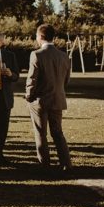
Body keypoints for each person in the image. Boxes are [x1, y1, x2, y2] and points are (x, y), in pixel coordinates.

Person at [25, 24, 72, 173]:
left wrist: (28, 96)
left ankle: (45, 165)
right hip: (58, 98)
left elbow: (32, 80)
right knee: (57, 132)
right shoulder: (64, 56)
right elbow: (66, 80)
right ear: (53, 37)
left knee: (40, 133)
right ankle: (66, 163)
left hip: (40, 100)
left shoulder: (36, 54)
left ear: (40, 36)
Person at [0, 31, 19, 165]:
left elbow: (17, 76)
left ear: (2, 43)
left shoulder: (10, 56)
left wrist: (10, 74)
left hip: (4, 96)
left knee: (2, 127)